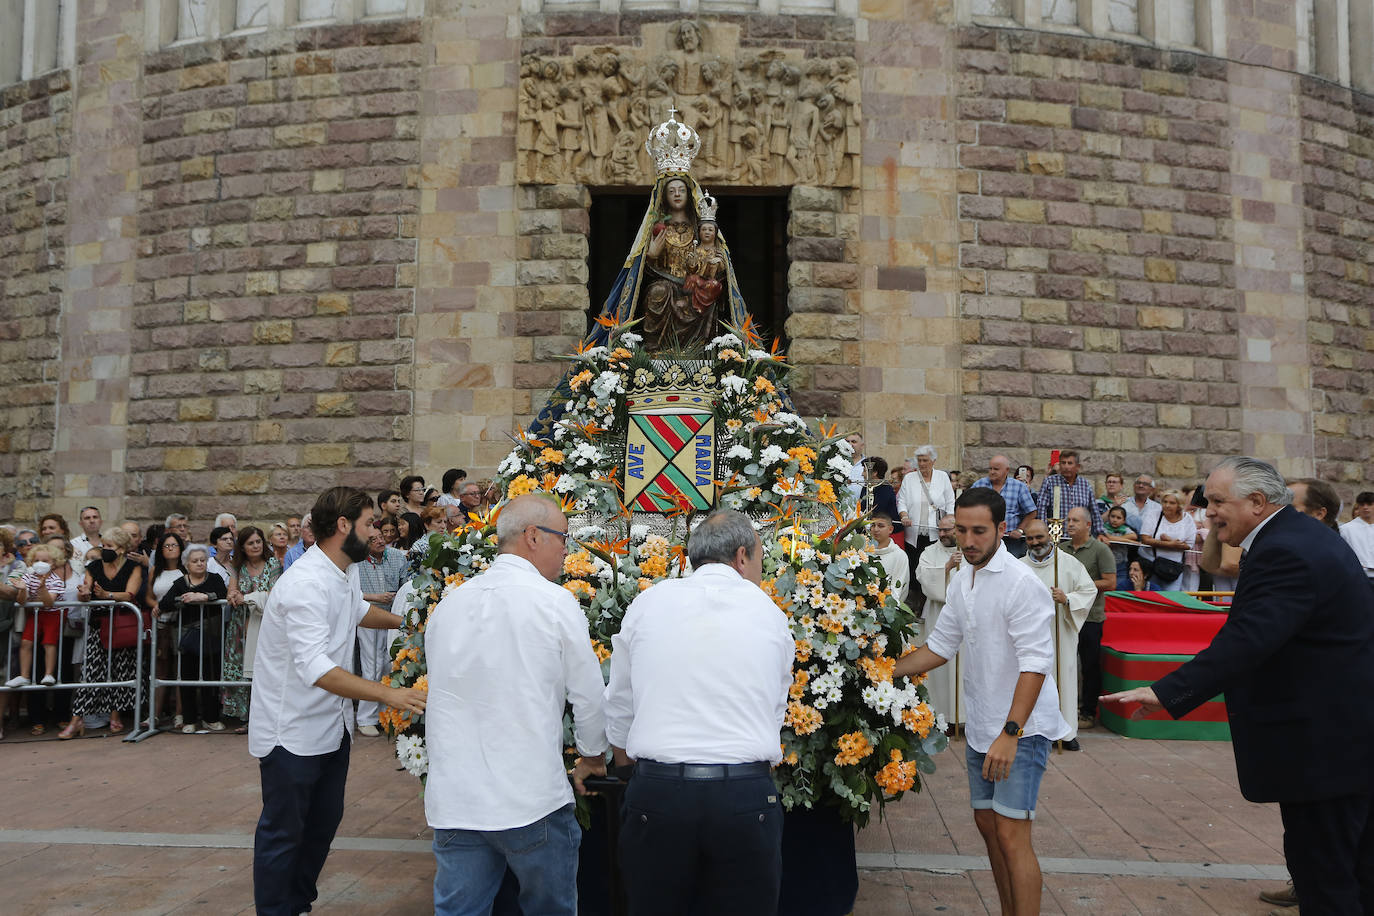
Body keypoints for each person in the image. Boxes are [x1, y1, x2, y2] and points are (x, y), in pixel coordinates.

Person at [1103, 457, 1374, 916]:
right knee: (1355, 871)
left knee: (1326, 877)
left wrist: (1165, 691)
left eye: (1216, 502)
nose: (1206, 512)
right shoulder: (1298, 537)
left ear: (1256, 502)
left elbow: (1250, 639)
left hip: (1324, 747)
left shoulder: (1284, 548)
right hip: (1345, 737)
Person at [424, 495, 607, 916]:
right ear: (532, 536)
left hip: (457, 798)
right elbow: (589, 695)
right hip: (530, 798)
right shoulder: (554, 601)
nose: (567, 549)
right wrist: (593, 757)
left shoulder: (450, 604)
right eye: (563, 537)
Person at [604, 509, 792, 916]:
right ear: (742, 556)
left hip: (660, 790)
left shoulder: (649, 602)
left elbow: (619, 699)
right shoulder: (769, 614)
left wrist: (625, 767)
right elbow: (775, 706)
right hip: (743, 795)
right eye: (760, 557)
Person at [893, 487, 1070, 916]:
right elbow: (939, 646)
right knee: (989, 829)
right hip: (981, 726)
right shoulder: (964, 578)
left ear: (1002, 530)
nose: (968, 540)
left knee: (1012, 835)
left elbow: (1036, 664)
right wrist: (880, 672)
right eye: (962, 530)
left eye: (979, 531)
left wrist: (1011, 733)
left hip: (1020, 730)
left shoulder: (1021, 583)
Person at [250, 486, 426, 916]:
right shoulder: (305, 584)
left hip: (332, 728)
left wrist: (415, 626)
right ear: (343, 526)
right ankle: (277, 910)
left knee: (322, 825)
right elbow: (316, 668)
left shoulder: (342, 571)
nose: (377, 532)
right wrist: (390, 694)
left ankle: (298, 903)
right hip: (290, 734)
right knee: (284, 833)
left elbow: (360, 613)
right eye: (369, 524)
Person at [1020, 518, 1095, 751]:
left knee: (1062, 678)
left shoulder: (1068, 564)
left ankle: (1065, 732)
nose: (1035, 542)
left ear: (1050, 536)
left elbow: (1088, 590)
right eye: (1030, 538)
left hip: (1059, 634)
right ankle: (1033, 732)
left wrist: (1067, 599)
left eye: (1039, 537)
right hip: (1029, 636)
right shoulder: (1019, 566)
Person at [66, 526, 145, 738]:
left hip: (121, 626)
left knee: (120, 671)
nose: (105, 549)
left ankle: (115, 715)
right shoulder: (94, 566)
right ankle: (76, 719)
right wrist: (84, 594)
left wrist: (106, 594)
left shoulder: (133, 567)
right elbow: (87, 592)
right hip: (98, 626)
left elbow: (129, 594)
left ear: (121, 549)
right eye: (103, 545)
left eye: (109, 546)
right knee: (90, 673)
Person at [160, 546, 229, 733]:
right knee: (188, 678)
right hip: (187, 638)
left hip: (211, 636)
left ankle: (211, 718)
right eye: (195, 561)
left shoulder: (214, 579)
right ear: (186, 564)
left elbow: (224, 595)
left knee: (211, 677)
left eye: (202, 560)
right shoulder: (181, 583)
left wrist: (204, 596)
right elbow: (164, 603)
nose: (200, 563)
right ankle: (189, 719)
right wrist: (183, 599)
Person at [1061, 507, 1117, 731]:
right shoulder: (1062, 548)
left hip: (1090, 617)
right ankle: (1063, 707)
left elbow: (1110, 582)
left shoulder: (1100, 550)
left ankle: (1088, 712)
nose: (1070, 524)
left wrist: (1079, 589)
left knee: (1089, 665)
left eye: (1075, 520)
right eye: (1068, 520)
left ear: (1088, 525)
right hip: (1065, 616)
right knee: (1063, 662)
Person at [224, 527, 281, 728]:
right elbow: (232, 590)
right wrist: (233, 595)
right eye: (250, 543)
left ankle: (265, 717)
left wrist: (246, 597)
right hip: (240, 626)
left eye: (258, 541)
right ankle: (245, 717)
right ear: (243, 547)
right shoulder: (237, 565)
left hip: (264, 624)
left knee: (263, 671)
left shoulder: (272, 563)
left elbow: (273, 593)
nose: (256, 546)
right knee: (243, 671)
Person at [355, 526, 407, 738]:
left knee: (389, 664)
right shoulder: (355, 561)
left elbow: (405, 583)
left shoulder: (396, 556)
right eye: (372, 539)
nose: (379, 541)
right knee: (371, 667)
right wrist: (375, 597)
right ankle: (366, 718)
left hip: (392, 617)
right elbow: (351, 592)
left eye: (380, 537)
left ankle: (386, 715)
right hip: (368, 617)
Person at [912, 515, 964, 727]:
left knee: (962, 666)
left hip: (964, 616)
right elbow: (922, 577)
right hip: (938, 612)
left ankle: (962, 717)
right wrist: (947, 567)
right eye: (940, 530)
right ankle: (941, 716)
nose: (942, 534)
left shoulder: (969, 550)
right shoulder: (930, 552)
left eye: (947, 530)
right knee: (940, 669)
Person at [896, 445, 956, 602]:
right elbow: (901, 501)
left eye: (925, 460)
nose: (922, 464)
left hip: (936, 532)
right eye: (919, 460)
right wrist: (904, 515)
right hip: (914, 533)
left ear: (933, 461)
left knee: (934, 565)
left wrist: (949, 521)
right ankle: (915, 601)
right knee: (914, 566)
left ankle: (931, 598)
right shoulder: (909, 478)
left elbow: (950, 501)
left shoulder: (942, 477)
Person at [5, 543, 64, 688]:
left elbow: (49, 603)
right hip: (35, 615)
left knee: (49, 643)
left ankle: (48, 674)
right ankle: (24, 676)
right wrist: (23, 590)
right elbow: (22, 601)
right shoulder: (28, 577)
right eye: (37, 560)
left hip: (52, 615)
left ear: (54, 563)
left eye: (45, 561)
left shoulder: (57, 580)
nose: (40, 564)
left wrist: (42, 588)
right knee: (26, 643)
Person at [145, 531, 186, 727]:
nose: (170, 549)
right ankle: (155, 713)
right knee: (160, 669)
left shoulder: (185, 571)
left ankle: (179, 713)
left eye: (174, 545)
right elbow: (148, 595)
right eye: (166, 546)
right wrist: (156, 605)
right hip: (161, 624)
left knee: (180, 669)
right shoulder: (155, 571)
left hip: (180, 623)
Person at [970, 454, 1038, 558]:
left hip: (1010, 540)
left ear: (1006, 470)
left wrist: (1020, 530)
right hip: (984, 537)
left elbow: (1032, 512)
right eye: (990, 468)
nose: (992, 472)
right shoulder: (979, 485)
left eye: (996, 469)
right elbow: (968, 508)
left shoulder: (1019, 487)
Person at [1034, 449, 1103, 535]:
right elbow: (1041, 508)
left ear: (1077, 467)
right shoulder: (1050, 482)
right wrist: (1044, 532)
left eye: (1070, 463)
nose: (1066, 467)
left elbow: (1094, 511)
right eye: (1063, 463)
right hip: (1057, 535)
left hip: (1080, 536)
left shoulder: (1085, 484)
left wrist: (1100, 532)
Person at [1139, 489, 1196, 590]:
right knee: (1152, 598)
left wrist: (1169, 541)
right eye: (1165, 502)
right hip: (1152, 565)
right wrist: (1171, 545)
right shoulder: (1153, 515)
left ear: (1179, 505)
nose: (1167, 505)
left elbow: (1189, 544)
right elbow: (1145, 538)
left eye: (1172, 503)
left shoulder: (1187, 519)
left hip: (1173, 568)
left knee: (1171, 598)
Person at [868, 512, 908, 604]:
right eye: (873, 525)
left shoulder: (899, 555)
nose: (876, 529)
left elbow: (900, 585)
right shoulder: (863, 551)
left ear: (890, 529)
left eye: (881, 526)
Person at [1339, 491, 1374, 581]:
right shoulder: (1346, 529)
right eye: (1362, 504)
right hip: (1358, 576)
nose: (1365, 507)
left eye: (1369, 504)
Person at [1101, 505, 1137, 590]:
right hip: (1104, 565)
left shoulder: (1125, 529)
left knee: (1119, 588)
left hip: (1121, 565)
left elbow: (1134, 536)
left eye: (1118, 518)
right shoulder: (1103, 528)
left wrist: (1121, 539)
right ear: (1108, 517)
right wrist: (1128, 541)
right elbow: (1108, 537)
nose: (1115, 520)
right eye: (1112, 516)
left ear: (1124, 520)